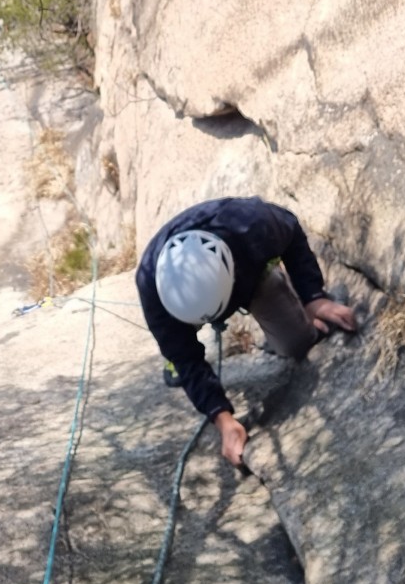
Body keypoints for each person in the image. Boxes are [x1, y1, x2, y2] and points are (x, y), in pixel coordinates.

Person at [136, 196, 356, 466]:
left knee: (296, 343)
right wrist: (223, 419)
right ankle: (172, 348)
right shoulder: (154, 288)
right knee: (178, 351)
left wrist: (314, 297)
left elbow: (292, 233)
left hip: (249, 273)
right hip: (188, 307)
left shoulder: (251, 225)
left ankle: (281, 295)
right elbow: (188, 362)